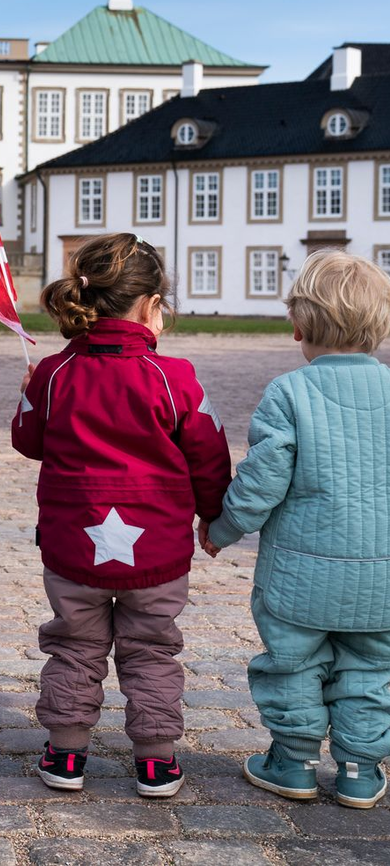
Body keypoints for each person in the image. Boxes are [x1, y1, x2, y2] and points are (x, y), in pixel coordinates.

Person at [14, 233, 231, 797]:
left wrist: (27, 395)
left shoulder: (56, 373)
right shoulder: (174, 377)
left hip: (72, 549)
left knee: (74, 646)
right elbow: (208, 455)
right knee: (153, 649)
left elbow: (28, 441)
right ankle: (156, 760)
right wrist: (213, 515)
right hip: (156, 552)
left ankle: (66, 754)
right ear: (152, 306)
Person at [203, 251, 390, 809]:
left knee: (292, 664)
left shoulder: (289, 393)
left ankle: (295, 761)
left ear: (299, 326)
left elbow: (262, 481)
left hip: (299, 576)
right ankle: (360, 767)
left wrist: (223, 527)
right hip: (380, 580)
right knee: (371, 669)